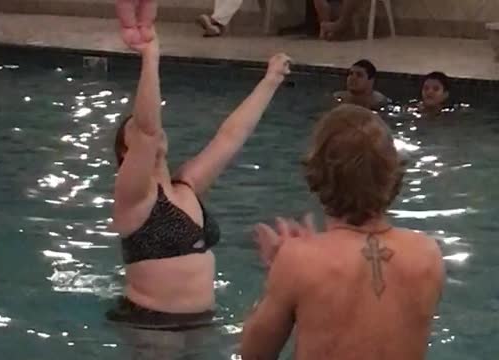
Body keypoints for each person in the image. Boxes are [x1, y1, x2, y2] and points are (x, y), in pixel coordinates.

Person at [106, 26, 291, 331]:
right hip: (151, 326)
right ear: (126, 155)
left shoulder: (186, 185)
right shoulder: (133, 197)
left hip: (203, 324)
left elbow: (232, 136)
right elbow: (148, 130)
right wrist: (151, 57)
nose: (148, 131)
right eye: (134, 131)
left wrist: (270, 81)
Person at [241, 104, 445, 360]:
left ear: (318, 173)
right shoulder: (428, 254)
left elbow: (254, 354)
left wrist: (277, 274)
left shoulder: (298, 261)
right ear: (392, 172)